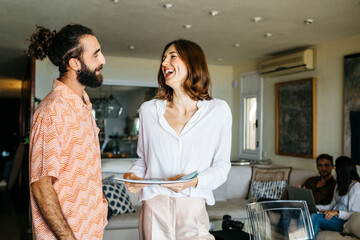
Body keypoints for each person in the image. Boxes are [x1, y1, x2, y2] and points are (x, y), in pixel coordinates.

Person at [124, 39, 232, 240]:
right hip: (154, 207)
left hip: (193, 208)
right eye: (163, 59)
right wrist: (134, 175)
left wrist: (193, 182)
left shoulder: (218, 111)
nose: (165, 63)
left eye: (172, 56)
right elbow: (143, 160)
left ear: (193, 63)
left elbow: (222, 166)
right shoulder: (148, 110)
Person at [27, 24, 108, 240]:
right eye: (96, 54)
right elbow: (42, 186)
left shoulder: (83, 105)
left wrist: (100, 201)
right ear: (74, 63)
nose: (103, 60)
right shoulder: (53, 110)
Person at [311, 156, 360, 237]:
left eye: (336, 167)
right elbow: (333, 204)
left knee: (315, 217)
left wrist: (337, 213)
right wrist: (317, 207)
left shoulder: (356, 187)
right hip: (333, 217)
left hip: (344, 222)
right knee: (307, 213)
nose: (335, 169)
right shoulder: (339, 184)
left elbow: (355, 214)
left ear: (342, 170)